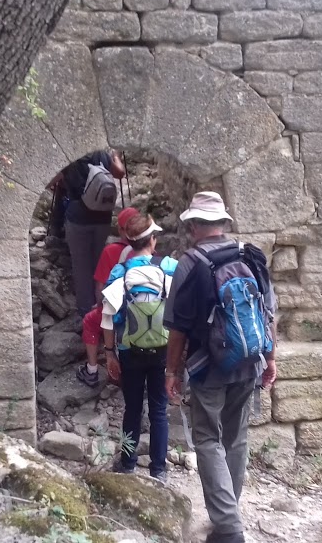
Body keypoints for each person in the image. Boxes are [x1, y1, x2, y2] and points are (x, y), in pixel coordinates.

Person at [163, 192, 278, 543]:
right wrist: (270, 359)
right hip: (249, 362)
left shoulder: (190, 263)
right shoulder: (252, 256)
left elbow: (178, 329)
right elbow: (268, 313)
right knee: (236, 438)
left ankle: (228, 527)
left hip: (207, 366)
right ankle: (228, 514)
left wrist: (171, 372)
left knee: (208, 439)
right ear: (224, 224)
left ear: (195, 225)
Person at [99, 214, 178, 482]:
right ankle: (159, 470)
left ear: (129, 243)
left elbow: (107, 317)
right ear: (153, 240)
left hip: (129, 351)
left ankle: (128, 463)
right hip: (163, 350)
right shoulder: (169, 268)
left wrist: (110, 353)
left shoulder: (121, 273)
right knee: (158, 410)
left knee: (132, 408)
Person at [76, 206, 140, 388]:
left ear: (120, 230)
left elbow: (100, 287)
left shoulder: (111, 251)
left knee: (90, 321)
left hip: (118, 311)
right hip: (145, 311)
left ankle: (92, 371)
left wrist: (98, 307)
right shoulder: (151, 251)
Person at [61, 150, 126, 318]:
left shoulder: (68, 154)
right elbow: (120, 172)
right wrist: (116, 156)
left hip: (78, 218)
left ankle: (86, 313)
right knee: (99, 264)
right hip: (102, 217)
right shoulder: (101, 153)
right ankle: (103, 310)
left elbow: (48, 182)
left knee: (81, 266)